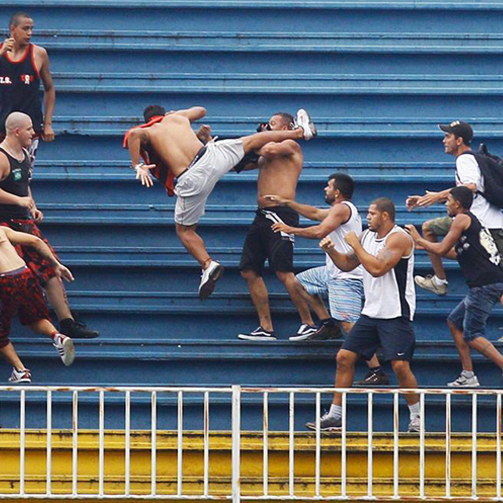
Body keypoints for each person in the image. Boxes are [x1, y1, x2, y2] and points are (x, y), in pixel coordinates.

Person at [125, 105, 316, 300]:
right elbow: (201, 110)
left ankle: (207, 264)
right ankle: (300, 132)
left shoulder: (148, 130)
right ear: (165, 114)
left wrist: (137, 165)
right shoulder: (177, 117)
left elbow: (133, 134)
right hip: (210, 156)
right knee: (249, 142)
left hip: (191, 177)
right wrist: (178, 115)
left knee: (185, 231)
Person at [306, 198, 421, 432]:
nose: (367, 217)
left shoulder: (399, 238)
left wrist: (355, 245)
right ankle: (335, 415)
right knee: (344, 358)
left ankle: (416, 417)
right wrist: (332, 250)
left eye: (371, 214)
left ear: (385, 216)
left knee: (400, 366)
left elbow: (378, 268)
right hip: (371, 312)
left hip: (395, 313)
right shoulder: (367, 236)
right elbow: (347, 264)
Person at [266, 173, 390, 384]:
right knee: (298, 282)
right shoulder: (339, 209)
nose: (325, 189)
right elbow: (314, 213)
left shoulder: (343, 208)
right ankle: (327, 323)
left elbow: (320, 231)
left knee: (350, 326)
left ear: (337, 192)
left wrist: (290, 229)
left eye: (328, 186)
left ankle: (377, 370)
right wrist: (288, 202)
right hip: (333, 272)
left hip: (347, 277)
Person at [0, 112, 99, 339]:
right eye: (28, 129)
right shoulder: (2, 157)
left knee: (51, 269)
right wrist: (18, 201)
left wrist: (32, 205)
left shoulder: (24, 153)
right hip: (4, 226)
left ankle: (67, 322)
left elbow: (24, 185)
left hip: (23, 221)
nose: (33, 133)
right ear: (16, 131)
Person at [406, 186, 503, 387]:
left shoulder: (462, 219)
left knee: (473, 334)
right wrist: (425, 245)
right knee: (454, 322)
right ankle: (468, 375)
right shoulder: (470, 224)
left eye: (448, 201)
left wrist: (418, 238)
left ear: (457, 203)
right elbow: (454, 254)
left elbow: (441, 248)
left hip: (484, 284)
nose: (447, 205)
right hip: (488, 282)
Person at [236, 112, 320, 341]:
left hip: (281, 214)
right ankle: (266, 327)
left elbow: (266, 149)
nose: (266, 128)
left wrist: (259, 138)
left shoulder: (290, 145)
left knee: (283, 271)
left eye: (272, 125)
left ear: (286, 127)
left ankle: (309, 323)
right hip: (262, 214)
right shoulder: (265, 152)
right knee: (248, 270)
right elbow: (241, 163)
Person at [407, 120, 503, 296]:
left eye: (447, 136)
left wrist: (437, 195)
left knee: (498, 283)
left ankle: (440, 281)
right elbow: (462, 196)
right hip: (488, 224)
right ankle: (440, 280)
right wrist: (428, 199)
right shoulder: (473, 159)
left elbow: (470, 186)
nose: (444, 141)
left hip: (482, 225)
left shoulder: (464, 159)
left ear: (459, 141)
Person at [0, 224, 75, 384]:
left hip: (3, 280)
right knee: (35, 318)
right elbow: (35, 240)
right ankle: (57, 336)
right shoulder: (2, 230)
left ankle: (21, 370)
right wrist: (56, 264)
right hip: (24, 273)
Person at [0, 11, 55, 166]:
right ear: (13, 29)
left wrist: (48, 123)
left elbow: (49, 88)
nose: (29, 33)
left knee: (23, 175)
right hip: (2, 125)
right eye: (25, 29)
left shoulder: (38, 54)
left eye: (31, 29)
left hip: (28, 128)